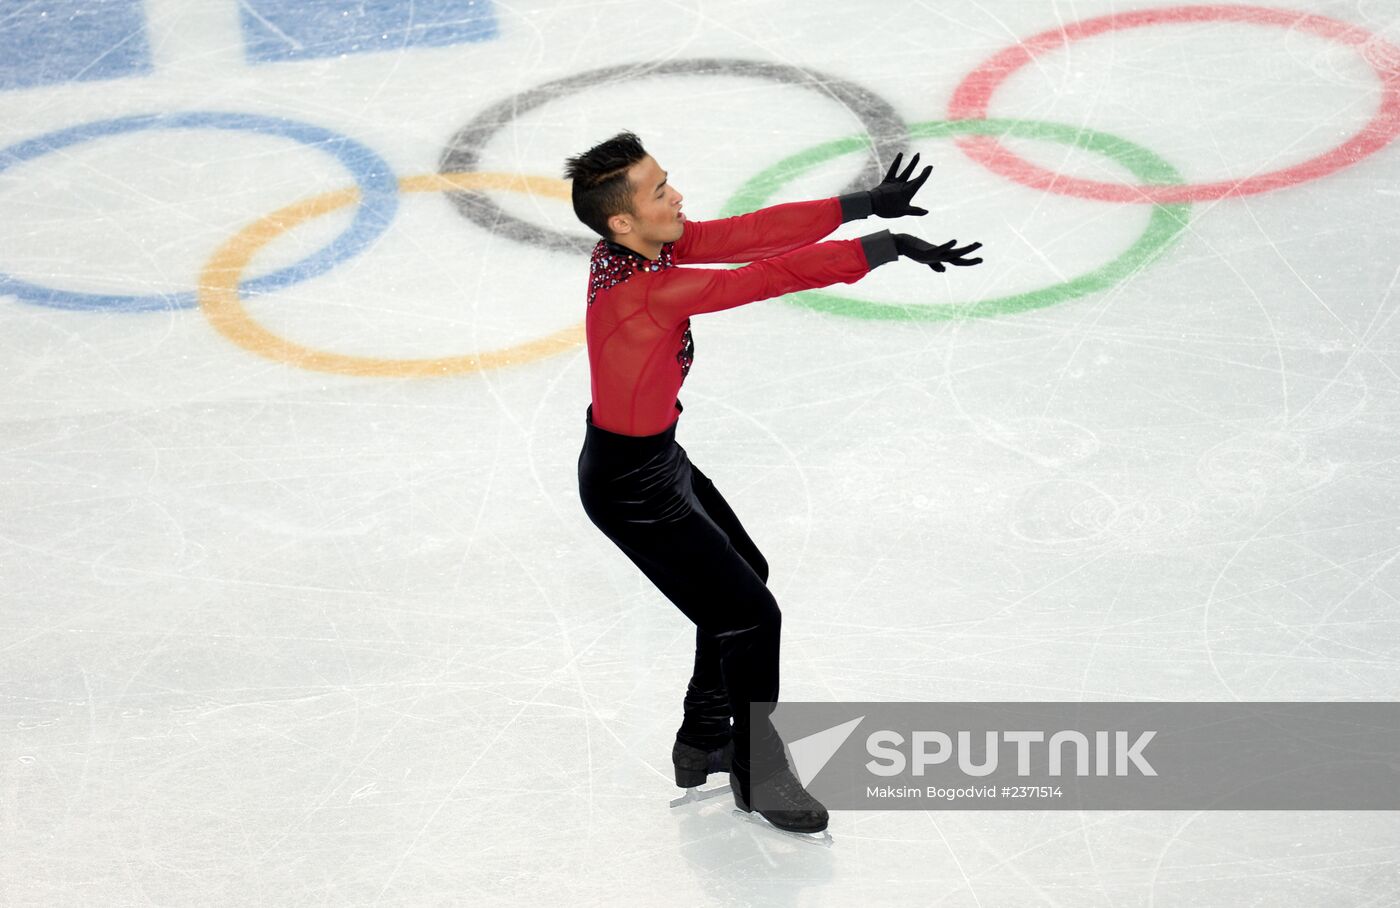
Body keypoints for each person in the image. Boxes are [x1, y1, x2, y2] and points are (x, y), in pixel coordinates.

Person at [567, 131, 981, 838]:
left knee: (744, 580)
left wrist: (862, 205)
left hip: (654, 458)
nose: (678, 196)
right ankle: (758, 773)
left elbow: (749, 234)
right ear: (622, 220)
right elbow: (764, 276)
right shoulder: (648, 292)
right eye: (661, 191)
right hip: (630, 488)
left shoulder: (637, 250)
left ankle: (705, 736)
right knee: (753, 617)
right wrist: (880, 247)